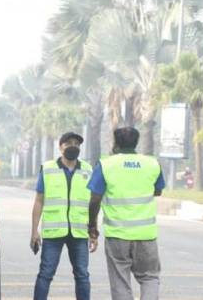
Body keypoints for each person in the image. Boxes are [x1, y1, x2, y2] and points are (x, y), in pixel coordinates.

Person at [87, 127, 165, 300]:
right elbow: (158, 191)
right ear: (136, 142)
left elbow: (95, 199)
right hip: (146, 235)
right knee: (150, 277)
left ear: (115, 143)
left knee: (120, 282)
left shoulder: (106, 164)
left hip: (118, 235)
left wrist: (92, 226)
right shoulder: (152, 163)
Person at [31, 132, 95, 300]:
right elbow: (39, 201)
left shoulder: (88, 170)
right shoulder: (48, 168)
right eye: (68, 143)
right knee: (45, 274)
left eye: (76, 144)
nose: (73, 146)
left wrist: (93, 232)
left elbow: (92, 204)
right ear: (60, 147)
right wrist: (34, 231)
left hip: (79, 232)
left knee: (82, 275)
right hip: (54, 232)